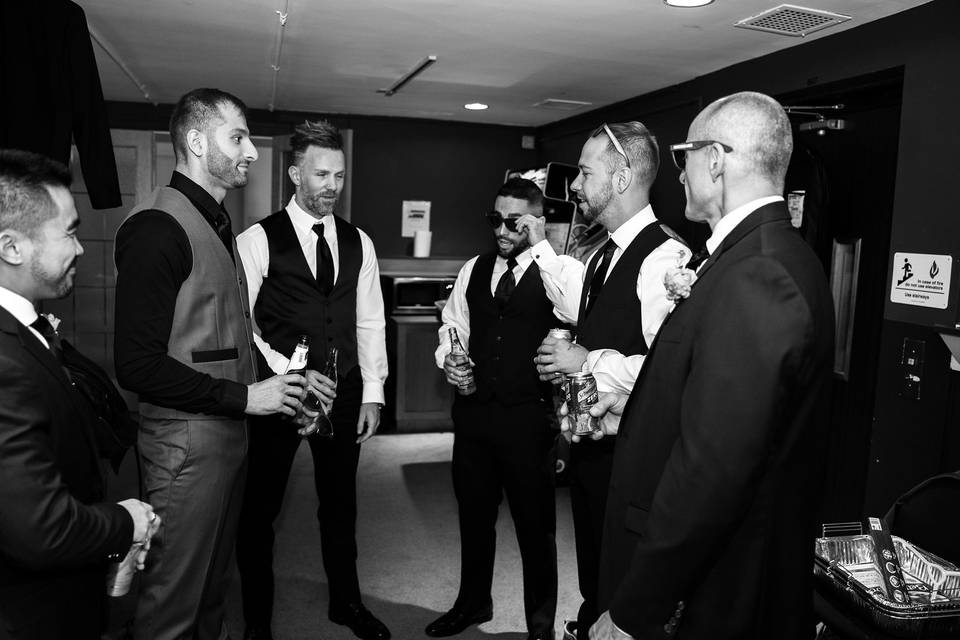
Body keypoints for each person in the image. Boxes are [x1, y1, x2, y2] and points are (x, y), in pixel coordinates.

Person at [589, 92, 834, 639]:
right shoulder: (757, 255)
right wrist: (633, 409)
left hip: (720, 589)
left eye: (685, 156)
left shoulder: (759, 274)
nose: (679, 174)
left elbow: (715, 470)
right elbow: (728, 408)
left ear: (716, 160)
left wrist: (636, 610)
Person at [114, 89, 312, 640]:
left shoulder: (216, 222)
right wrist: (248, 398)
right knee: (172, 601)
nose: (250, 150)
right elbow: (135, 364)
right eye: (238, 136)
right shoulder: (158, 228)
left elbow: (224, 334)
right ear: (197, 142)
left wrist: (277, 384)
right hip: (184, 446)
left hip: (226, 437)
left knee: (209, 592)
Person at [519, 122, 687, 639]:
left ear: (620, 178)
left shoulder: (665, 259)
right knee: (594, 575)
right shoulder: (601, 253)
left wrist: (583, 361)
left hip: (633, 463)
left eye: (586, 172)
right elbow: (588, 312)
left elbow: (670, 374)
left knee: (623, 587)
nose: (574, 184)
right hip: (594, 454)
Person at [235, 119, 390, 640]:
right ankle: (257, 621)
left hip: (342, 389)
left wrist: (372, 391)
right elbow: (242, 323)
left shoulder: (359, 241)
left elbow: (369, 319)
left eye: (339, 176)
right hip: (279, 392)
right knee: (261, 510)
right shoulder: (256, 239)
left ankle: (346, 604)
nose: (332, 186)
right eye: (321, 174)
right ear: (295, 173)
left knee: (340, 503)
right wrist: (287, 378)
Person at [0, 149, 156, 639]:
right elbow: (40, 528)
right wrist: (124, 523)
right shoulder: (4, 361)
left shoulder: (22, 331)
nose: (82, 247)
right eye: (68, 232)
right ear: (12, 247)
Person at [430, 178, 557, 640]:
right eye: (495, 220)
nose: (501, 231)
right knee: (474, 516)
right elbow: (452, 326)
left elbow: (578, 320)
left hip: (528, 418)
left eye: (514, 222)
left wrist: (543, 249)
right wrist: (451, 359)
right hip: (475, 416)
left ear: (536, 221)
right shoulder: (473, 268)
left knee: (535, 527)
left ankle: (540, 627)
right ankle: (472, 603)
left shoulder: (557, 270)